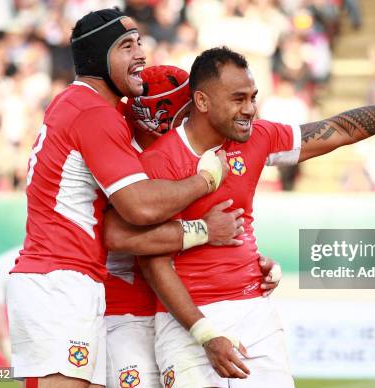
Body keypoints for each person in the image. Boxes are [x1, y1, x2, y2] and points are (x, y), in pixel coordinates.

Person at [107, 46, 375, 387]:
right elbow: (154, 264)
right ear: (201, 101)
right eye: (238, 99)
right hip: (187, 323)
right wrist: (206, 334)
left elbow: (338, 130)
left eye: (252, 97)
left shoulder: (256, 137)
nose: (250, 109)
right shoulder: (158, 163)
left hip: (255, 311)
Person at [5, 9, 237, 388]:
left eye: (140, 43)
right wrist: (204, 182)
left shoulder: (83, 105)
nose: (141, 55)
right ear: (98, 57)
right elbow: (140, 206)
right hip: (59, 280)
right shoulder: (93, 112)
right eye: (126, 46)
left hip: (67, 280)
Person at [102, 65, 282, 388]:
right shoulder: (122, 157)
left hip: (170, 308)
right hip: (125, 309)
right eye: (185, 105)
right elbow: (119, 235)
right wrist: (204, 227)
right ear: (161, 112)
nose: (195, 114)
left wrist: (253, 263)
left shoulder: (189, 151)